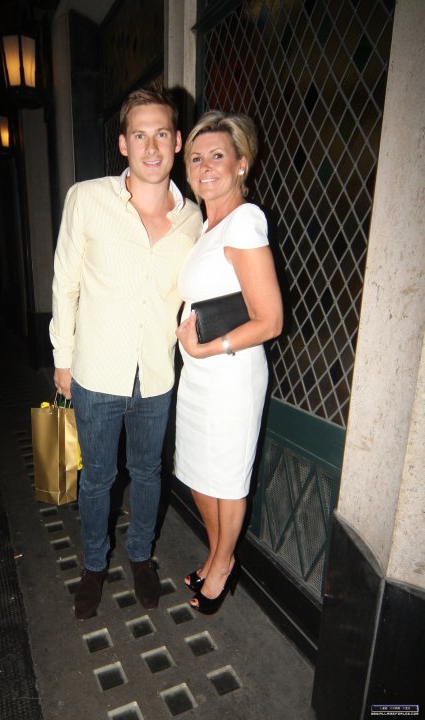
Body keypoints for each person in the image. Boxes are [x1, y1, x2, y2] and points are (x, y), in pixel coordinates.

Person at [50, 86, 202, 619]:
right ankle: (94, 565)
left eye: (161, 134)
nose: (151, 147)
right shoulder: (87, 199)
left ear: (177, 141)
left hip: (157, 374)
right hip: (95, 371)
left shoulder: (194, 219)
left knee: (148, 472)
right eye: (140, 135)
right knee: (97, 477)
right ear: (123, 144)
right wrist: (62, 360)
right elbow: (65, 283)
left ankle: (140, 557)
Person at [175, 110, 283, 615]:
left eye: (217, 155)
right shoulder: (207, 227)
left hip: (231, 374)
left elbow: (270, 320)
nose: (204, 166)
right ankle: (219, 554)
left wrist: (208, 348)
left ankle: (221, 567)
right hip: (199, 374)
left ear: (242, 163)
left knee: (226, 479)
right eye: (196, 158)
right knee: (199, 475)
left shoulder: (244, 221)